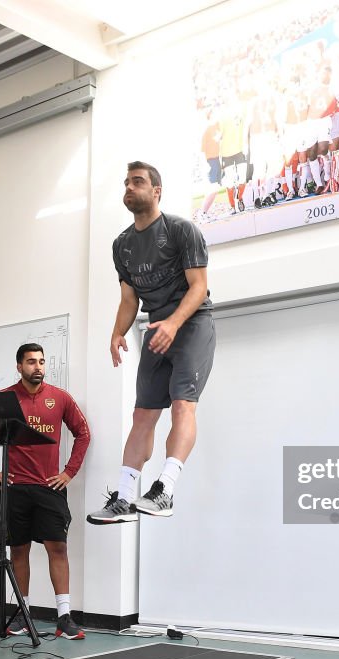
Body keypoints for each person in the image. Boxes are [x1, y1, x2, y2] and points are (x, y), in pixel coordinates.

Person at [88, 161, 215, 525]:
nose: (129, 187)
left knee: (181, 407)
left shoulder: (180, 231)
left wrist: (175, 324)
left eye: (138, 182)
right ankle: (124, 499)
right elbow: (130, 300)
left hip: (192, 324)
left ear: (156, 191)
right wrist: (116, 333)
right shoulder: (122, 246)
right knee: (142, 415)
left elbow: (199, 287)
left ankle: (165, 489)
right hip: (156, 327)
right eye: (126, 182)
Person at [0, 344, 90, 639]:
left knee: (57, 548)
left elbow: (83, 434)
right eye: (31, 362)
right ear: (19, 366)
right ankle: (24, 615)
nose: (38, 366)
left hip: (49, 487)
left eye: (42, 362)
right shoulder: (4, 400)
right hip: (15, 488)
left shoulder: (60, 398)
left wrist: (69, 472)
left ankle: (64, 617)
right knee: (18, 550)